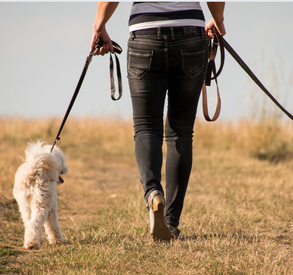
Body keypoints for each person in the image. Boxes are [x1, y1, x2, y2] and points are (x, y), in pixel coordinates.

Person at [91, 2, 226, 241]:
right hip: (191, 34)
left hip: (145, 34)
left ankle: (153, 192)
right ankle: (171, 222)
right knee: (181, 132)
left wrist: (99, 25)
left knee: (146, 127)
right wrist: (218, 18)